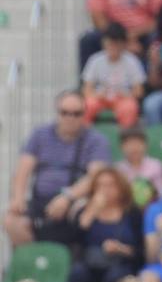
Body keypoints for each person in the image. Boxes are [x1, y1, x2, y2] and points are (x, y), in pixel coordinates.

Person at [5, 91, 111, 247]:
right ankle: (38, 259)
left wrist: (67, 197)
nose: (70, 118)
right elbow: (22, 171)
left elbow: (96, 176)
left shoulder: (95, 140)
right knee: (10, 220)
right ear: (57, 113)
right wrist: (18, 198)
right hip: (40, 201)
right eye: (65, 113)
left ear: (84, 115)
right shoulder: (39, 135)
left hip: (76, 201)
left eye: (76, 114)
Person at [68, 168, 143, 282]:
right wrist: (91, 212)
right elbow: (74, 240)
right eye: (100, 185)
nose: (105, 190)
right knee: (77, 274)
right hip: (91, 263)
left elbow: (141, 251)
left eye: (110, 185)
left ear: (121, 188)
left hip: (121, 263)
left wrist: (120, 249)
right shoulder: (84, 211)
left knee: (115, 278)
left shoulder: (132, 213)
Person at [81, 23, 146, 130]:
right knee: (87, 105)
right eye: (110, 43)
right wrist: (97, 95)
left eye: (117, 44)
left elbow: (139, 91)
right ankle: (84, 139)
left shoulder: (132, 61)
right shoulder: (95, 60)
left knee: (130, 107)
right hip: (101, 98)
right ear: (104, 42)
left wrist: (126, 94)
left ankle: (125, 140)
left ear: (123, 44)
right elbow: (86, 89)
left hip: (123, 98)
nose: (113, 47)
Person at [115, 127, 162, 209]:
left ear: (146, 145)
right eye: (129, 144)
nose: (134, 148)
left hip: (152, 209)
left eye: (138, 143)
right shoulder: (118, 170)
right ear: (121, 147)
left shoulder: (156, 166)